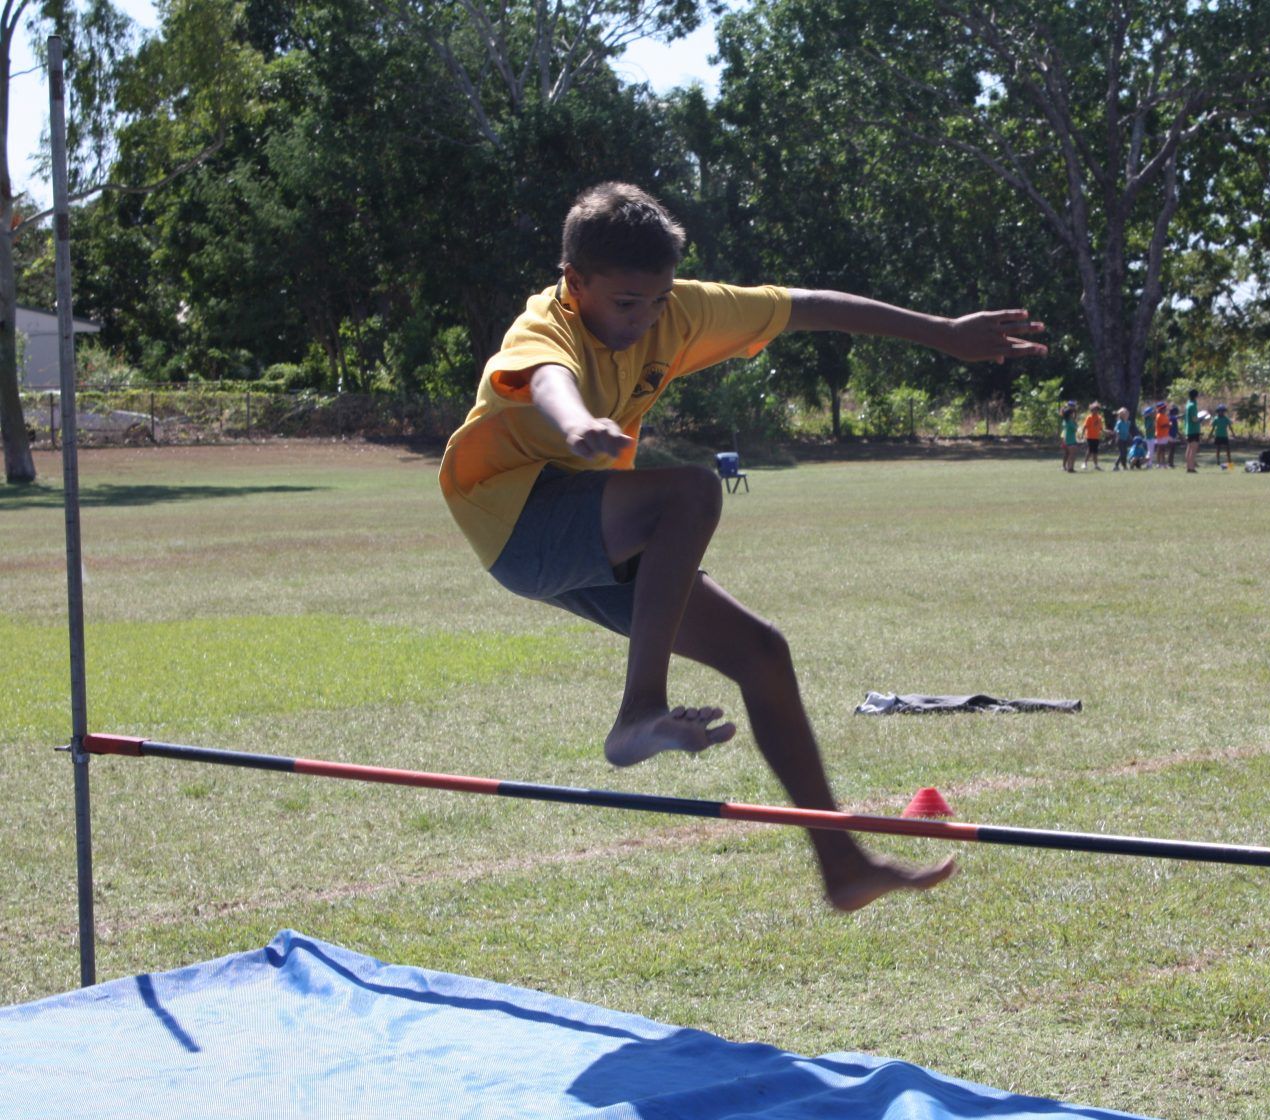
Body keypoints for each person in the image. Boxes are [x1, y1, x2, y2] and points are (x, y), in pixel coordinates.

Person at [439, 182, 1047, 910]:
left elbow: (807, 307)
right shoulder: (548, 325)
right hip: (517, 517)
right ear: (575, 283)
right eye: (626, 303)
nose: (646, 320)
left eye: (658, 301)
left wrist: (943, 333)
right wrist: (575, 426)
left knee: (761, 650)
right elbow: (547, 377)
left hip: (595, 528)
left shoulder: (677, 312)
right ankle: (639, 710)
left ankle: (843, 865)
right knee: (691, 493)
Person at [1182, 388, 1202, 473]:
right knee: (1193, 449)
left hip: (1188, 429)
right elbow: (1194, 419)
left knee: (1189, 448)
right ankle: (1191, 468)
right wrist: (1201, 419)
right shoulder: (1193, 405)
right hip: (1193, 430)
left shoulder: (1188, 404)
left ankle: (1188, 466)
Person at [1081, 401, 1105, 470]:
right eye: (1094, 409)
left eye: (1097, 409)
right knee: (1090, 450)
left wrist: (1105, 432)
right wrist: (1082, 435)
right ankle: (1084, 463)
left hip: (1096, 437)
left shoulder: (1099, 418)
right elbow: (1085, 427)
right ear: (1091, 410)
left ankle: (1096, 465)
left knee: (1095, 452)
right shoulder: (1089, 417)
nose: (1095, 411)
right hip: (1089, 437)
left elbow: (1100, 428)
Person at [1110, 406, 1132, 471]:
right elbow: (1116, 429)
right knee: (1122, 453)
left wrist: (1129, 436)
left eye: (1127, 414)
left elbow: (1127, 431)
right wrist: (1118, 432)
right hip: (1120, 440)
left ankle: (1120, 465)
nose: (1127, 415)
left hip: (1125, 439)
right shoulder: (1119, 422)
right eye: (1125, 414)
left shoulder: (1128, 423)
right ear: (1122, 415)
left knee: (1124, 453)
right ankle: (1121, 465)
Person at [1059, 404, 1079, 472]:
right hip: (1071, 440)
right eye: (1072, 413)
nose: (1073, 414)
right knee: (1072, 455)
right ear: (1070, 414)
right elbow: (1075, 429)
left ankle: (1069, 467)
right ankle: (1070, 468)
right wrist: (1075, 423)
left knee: (1069, 454)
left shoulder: (1066, 421)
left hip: (1067, 439)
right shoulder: (1070, 422)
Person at [1152, 401, 1171, 468]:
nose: (1164, 409)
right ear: (1160, 409)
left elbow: (1167, 424)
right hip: (1160, 434)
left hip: (1165, 434)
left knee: (1163, 449)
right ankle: (1158, 463)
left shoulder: (1165, 416)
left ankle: (1163, 463)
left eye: (1165, 408)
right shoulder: (1159, 416)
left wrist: (1168, 425)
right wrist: (1168, 425)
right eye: (1163, 408)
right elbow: (1162, 425)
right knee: (1160, 449)